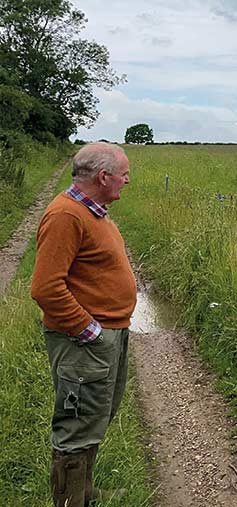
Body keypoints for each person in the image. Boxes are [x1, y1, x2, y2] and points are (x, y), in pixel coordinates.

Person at [31, 142, 135, 506]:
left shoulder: (95, 212)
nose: (127, 180)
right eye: (124, 173)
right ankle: (70, 501)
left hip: (108, 335)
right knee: (76, 428)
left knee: (95, 418)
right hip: (85, 341)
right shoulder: (67, 215)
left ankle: (83, 492)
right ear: (103, 177)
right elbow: (45, 287)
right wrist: (89, 331)